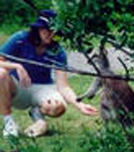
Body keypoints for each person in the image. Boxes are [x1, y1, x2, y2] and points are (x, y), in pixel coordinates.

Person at [0, 9, 98, 137]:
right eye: (45, 30)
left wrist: (79, 105)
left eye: (53, 31)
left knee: (59, 107)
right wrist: (17, 66)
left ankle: (38, 115)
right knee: (1, 74)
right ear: (38, 29)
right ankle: (9, 123)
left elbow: (63, 86)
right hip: (17, 87)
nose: (50, 34)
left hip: (43, 88)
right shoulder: (20, 39)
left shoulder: (58, 51)